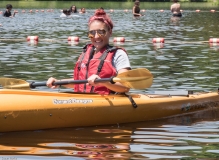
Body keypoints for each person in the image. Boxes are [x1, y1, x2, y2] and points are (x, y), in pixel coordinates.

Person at [47, 9, 131, 95]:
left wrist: (103, 82)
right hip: (81, 101)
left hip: (106, 102)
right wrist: (58, 82)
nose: (96, 36)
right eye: (92, 33)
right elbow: (79, 82)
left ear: (110, 32)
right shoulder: (86, 53)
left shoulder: (119, 55)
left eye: (101, 32)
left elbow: (125, 87)